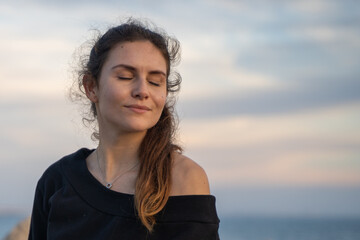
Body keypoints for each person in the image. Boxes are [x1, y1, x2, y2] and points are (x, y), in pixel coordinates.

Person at [28, 18, 220, 240]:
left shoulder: (184, 178)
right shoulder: (56, 181)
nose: (142, 90)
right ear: (91, 87)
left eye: (156, 81)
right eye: (125, 77)